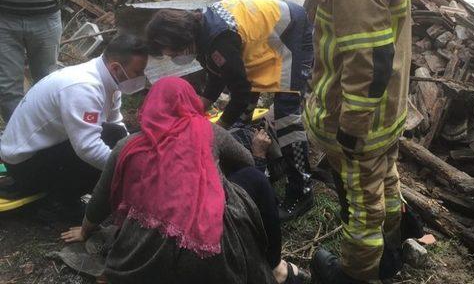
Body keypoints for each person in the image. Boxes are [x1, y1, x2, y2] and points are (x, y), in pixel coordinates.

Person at [61, 77, 305, 284]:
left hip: (142, 253)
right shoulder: (208, 131)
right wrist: (239, 160)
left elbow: (102, 197)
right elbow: (247, 163)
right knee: (253, 178)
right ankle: (276, 265)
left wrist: (85, 230)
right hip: (211, 252)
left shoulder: (127, 146)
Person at [301, 0, 411, 283]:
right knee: (384, 179)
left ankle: (357, 273)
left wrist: (350, 129)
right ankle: (393, 249)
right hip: (389, 114)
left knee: (361, 203)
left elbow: (368, 63)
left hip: (361, 122)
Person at [145, 0, 314, 221]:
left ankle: (302, 191)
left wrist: (220, 128)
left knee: (286, 113)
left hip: (290, 32)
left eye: (174, 54)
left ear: (181, 40)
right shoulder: (200, 32)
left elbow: (241, 91)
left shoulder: (217, 38)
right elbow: (218, 74)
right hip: (261, 41)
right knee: (242, 117)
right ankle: (254, 159)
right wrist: (200, 105)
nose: (175, 58)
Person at [0, 34, 147, 201]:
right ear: (115, 68)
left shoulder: (110, 81)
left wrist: (132, 155)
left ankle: (68, 190)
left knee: (116, 135)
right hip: (23, 164)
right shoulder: (83, 88)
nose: (141, 78)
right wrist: (128, 170)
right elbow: (88, 148)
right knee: (106, 146)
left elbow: (116, 123)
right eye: (138, 72)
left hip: (45, 147)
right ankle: (61, 202)